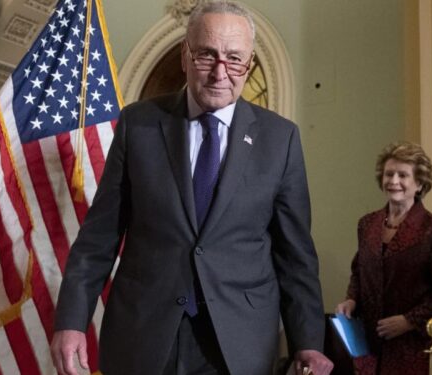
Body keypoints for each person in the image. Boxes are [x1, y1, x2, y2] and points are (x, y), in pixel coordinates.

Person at [50, 2, 333, 375]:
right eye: (207, 56)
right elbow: (97, 238)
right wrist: (71, 321)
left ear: (248, 65)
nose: (220, 72)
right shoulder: (140, 125)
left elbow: (295, 256)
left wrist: (308, 343)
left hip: (237, 344)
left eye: (234, 60)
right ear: (185, 55)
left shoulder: (280, 140)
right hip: (143, 334)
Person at [336, 141, 432, 375]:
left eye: (402, 175)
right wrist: (351, 299)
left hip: (414, 347)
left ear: (419, 184)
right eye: (389, 174)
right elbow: (359, 271)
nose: (393, 181)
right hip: (369, 344)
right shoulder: (367, 224)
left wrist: (409, 320)